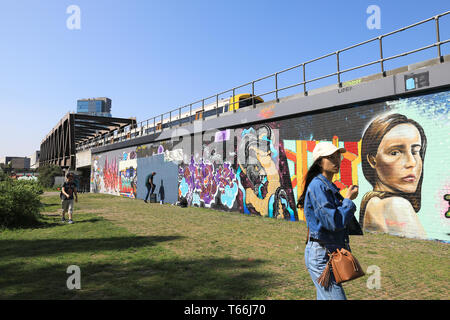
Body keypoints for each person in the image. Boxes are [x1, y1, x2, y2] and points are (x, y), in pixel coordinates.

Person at [297, 142, 359, 300]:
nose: (336, 160)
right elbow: (332, 222)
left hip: (327, 251)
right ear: (319, 162)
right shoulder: (318, 186)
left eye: (338, 156)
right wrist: (348, 201)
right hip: (321, 255)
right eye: (330, 157)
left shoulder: (326, 186)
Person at [360, 113, 427, 239]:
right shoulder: (397, 205)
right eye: (395, 152)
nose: (412, 162)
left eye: (415, 151)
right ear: (372, 160)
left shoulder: (372, 202)